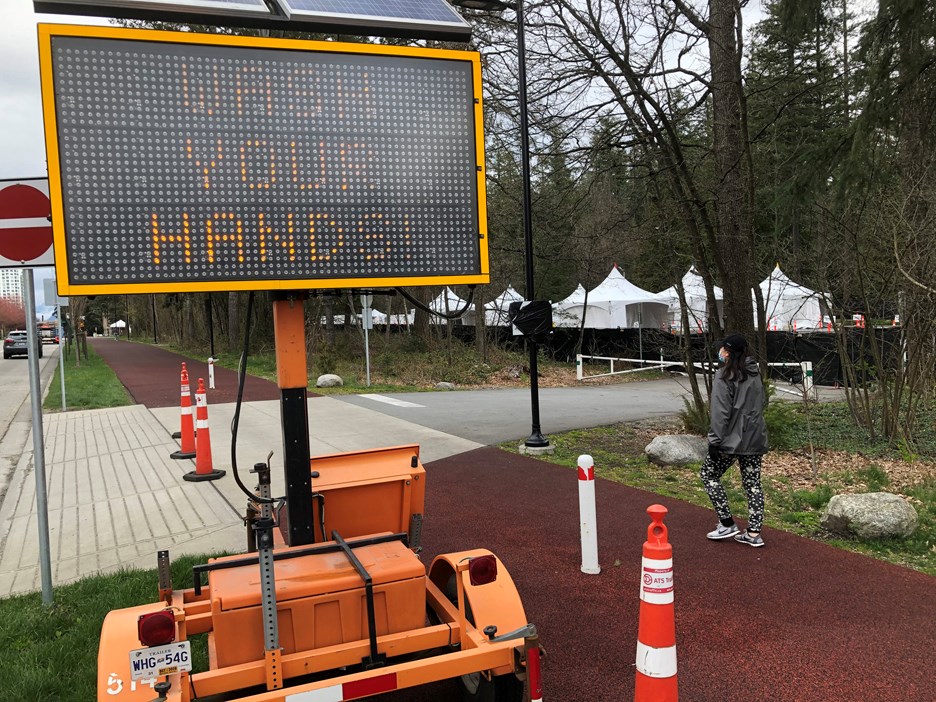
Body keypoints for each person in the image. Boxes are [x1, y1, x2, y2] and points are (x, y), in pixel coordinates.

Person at [701, 333, 769, 547]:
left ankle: (727, 522)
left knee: (708, 474)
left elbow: (720, 413)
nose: (720, 352)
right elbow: (762, 403)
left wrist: (714, 441)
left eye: (722, 349)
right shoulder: (755, 374)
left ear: (727, 352)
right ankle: (753, 533)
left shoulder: (724, 376)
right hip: (754, 438)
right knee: (753, 485)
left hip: (730, 440)